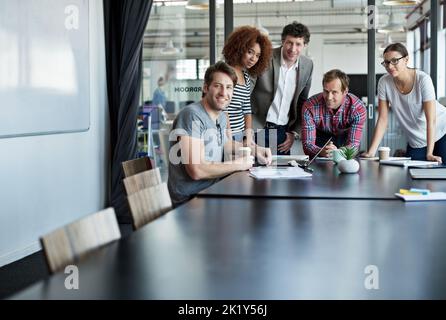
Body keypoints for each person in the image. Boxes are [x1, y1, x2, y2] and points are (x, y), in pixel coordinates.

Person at [168, 62, 272, 206]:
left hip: (213, 191)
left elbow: (225, 144)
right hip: (191, 201)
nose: (224, 93)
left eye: (229, 87)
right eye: (218, 86)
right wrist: (238, 164)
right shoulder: (192, 115)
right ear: (206, 87)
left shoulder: (221, 116)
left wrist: (255, 150)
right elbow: (196, 170)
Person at [361, 43, 446, 163]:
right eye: (386, 62)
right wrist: (371, 152)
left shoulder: (423, 80)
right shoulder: (384, 82)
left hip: (441, 130)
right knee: (411, 175)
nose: (390, 66)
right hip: (416, 139)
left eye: (395, 61)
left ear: (406, 60)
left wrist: (430, 153)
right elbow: (383, 120)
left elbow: (431, 120)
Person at [251, 21, 313, 155]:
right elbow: (247, 91)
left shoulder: (308, 65)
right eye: (289, 42)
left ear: (305, 45)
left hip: (283, 133)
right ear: (283, 41)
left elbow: (303, 101)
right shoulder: (265, 57)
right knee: (255, 173)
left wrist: (293, 132)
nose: (293, 49)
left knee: (281, 173)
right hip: (258, 127)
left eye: (298, 44)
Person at [222, 26, 272, 146]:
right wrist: (229, 137)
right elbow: (223, 108)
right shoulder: (225, 72)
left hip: (240, 134)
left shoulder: (246, 76)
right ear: (239, 48)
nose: (253, 59)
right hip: (225, 134)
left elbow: (246, 109)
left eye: (257, 55)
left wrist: (248, 136)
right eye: (250, 52)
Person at [301, 69, 367, 158]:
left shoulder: (358, 108)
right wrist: (320, 151)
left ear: (345, 92)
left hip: (344, 139)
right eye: (326, 91)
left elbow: (353, 145)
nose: (329, 97)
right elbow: (308, 145)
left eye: (334, 92)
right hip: (320, 140)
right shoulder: (310, 106)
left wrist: (338, 152)